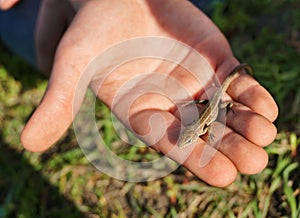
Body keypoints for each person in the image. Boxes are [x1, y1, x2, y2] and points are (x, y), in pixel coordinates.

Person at [0, 0, 278, 187]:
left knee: (29, 35)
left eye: (188, 137)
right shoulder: (198, 126)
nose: (184, 138)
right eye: (187, 137)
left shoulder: (201, 125)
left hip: (206, 88)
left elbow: (208, 115)